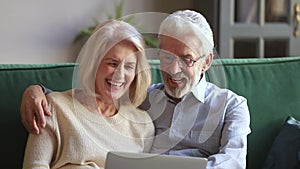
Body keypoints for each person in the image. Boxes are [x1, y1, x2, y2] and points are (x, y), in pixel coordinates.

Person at [21, 10, 251, 169]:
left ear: (207, 61)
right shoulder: (144, 98)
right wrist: (37, 90)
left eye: (187, 59)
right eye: (166, 57)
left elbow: (234, 162)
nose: (173, 69)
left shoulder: (231, 106)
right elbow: (87, 103)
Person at [22, 20, 154, 169]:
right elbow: (34, 166)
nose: (120, 75)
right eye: (112, 63)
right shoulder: (54, 107)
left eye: (129, 66)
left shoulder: (143, 125)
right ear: (93, 63)